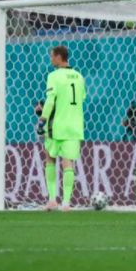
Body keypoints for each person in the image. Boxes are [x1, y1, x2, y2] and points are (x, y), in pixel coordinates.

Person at [40, 46, 86, 211]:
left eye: (52, 56)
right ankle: (66, 203)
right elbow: (81, 98)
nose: (51, 59)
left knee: (50, 159)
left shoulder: (53, 76)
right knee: (68, 164)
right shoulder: (79, 77)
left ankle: (52, 200)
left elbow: (51, 101)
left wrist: (42, 119)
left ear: (59, 57)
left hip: (56, 126)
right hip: (74, 127)